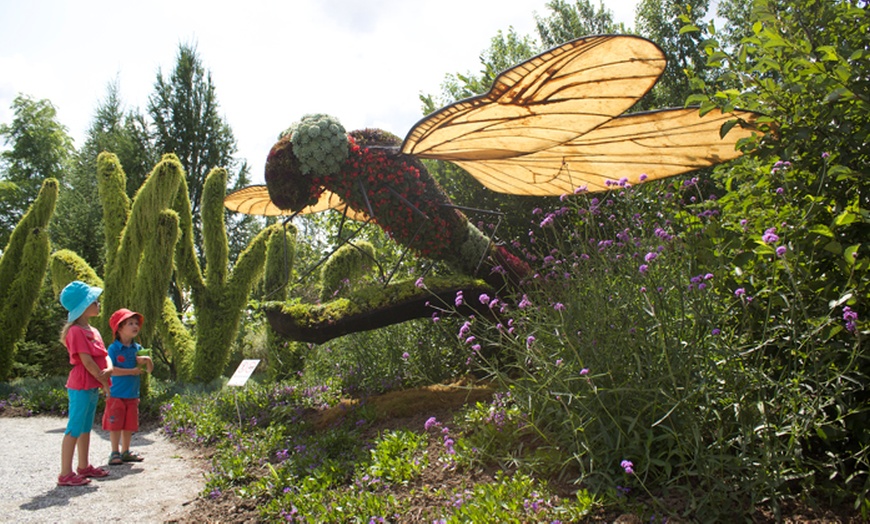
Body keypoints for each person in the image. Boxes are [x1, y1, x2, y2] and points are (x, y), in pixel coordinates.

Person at [58, 280, 112, 486]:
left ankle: (83, 465)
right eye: (94, 301)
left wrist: (108, 372)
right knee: (74, 427)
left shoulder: (93, 330)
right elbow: (87, 361)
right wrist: (103, 378)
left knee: (85, 427)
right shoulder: (76, 332)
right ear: (83, 306)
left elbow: (103, 355)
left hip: (92, 384)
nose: (98, 303)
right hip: (81, 383)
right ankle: (65, 473)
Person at [103, 308, 153, 465]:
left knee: (128, 425)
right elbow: (111, 371)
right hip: (116, 393)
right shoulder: (113, 349)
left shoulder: (137, 348)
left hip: (132, 394)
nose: (135, 326)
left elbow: (148, 371)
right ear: (119, 328)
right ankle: (114, 452)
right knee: (115, 423)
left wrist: (148, 361)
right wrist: (131, 371)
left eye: (136, 323)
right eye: (130, 323)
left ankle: (126, 450)